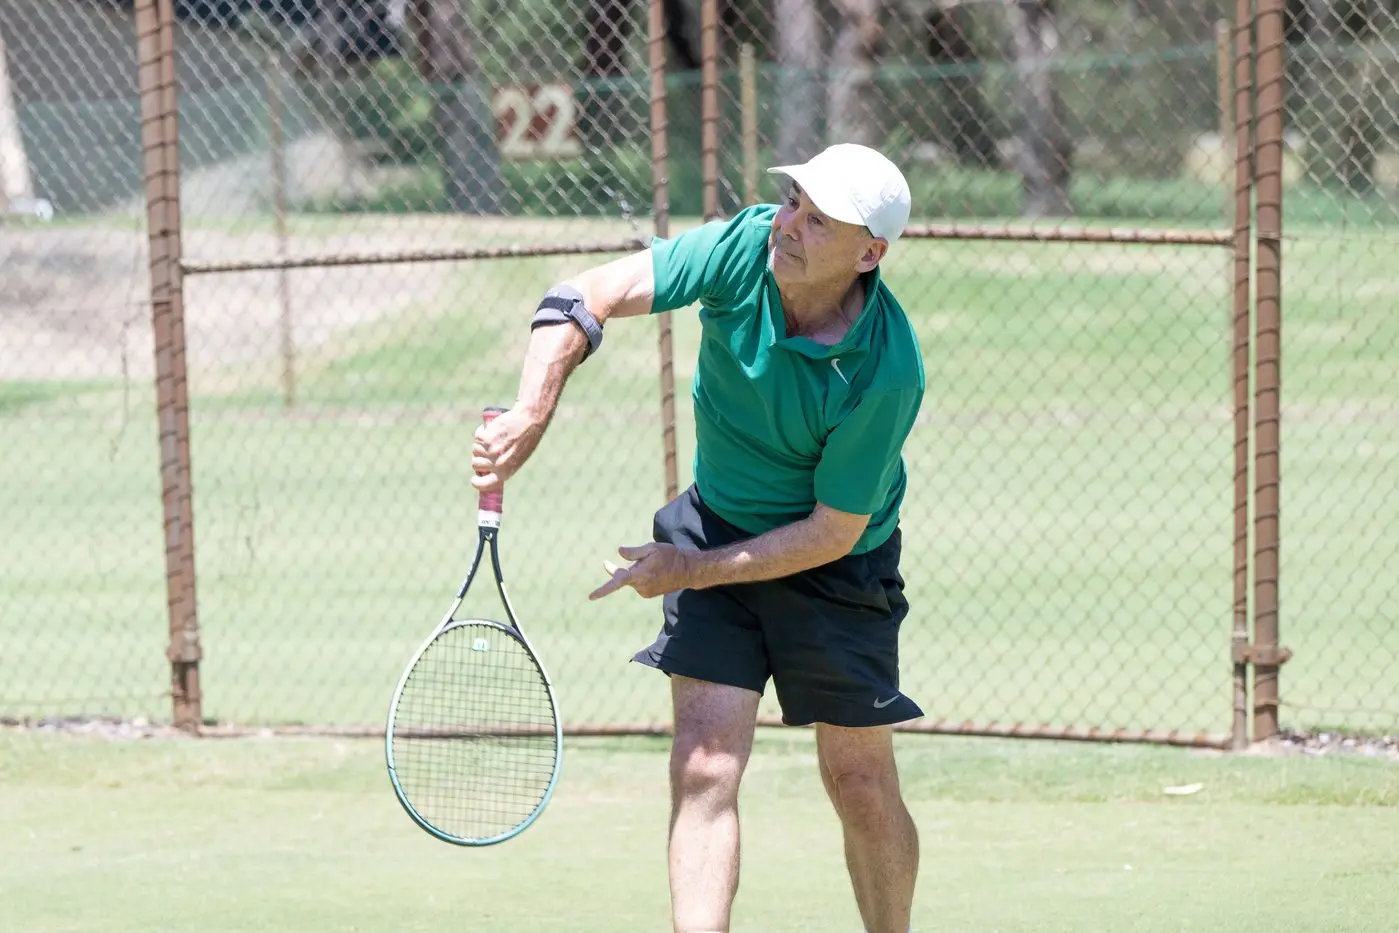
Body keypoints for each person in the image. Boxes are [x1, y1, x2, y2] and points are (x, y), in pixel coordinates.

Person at [472, 142, 925, 933]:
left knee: (856, 778)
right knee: (705, 761)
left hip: (836, 564)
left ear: (869, 252)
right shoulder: (742, 248)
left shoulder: (886, 368)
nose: (789, 225)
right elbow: (586, 293)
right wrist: (531, 409)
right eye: (791, 202)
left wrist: (691, 567)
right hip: (716, 516)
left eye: (818, 221)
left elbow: (829, 530)